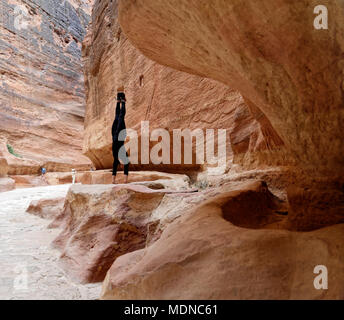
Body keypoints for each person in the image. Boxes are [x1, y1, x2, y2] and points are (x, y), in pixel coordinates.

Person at [112, 90, 130, 184]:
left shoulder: (121, 151)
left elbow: (126, 163)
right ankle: (119, 101)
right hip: (114, 133)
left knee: (121, 116)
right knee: (117, 116)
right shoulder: (115, 154)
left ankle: (122, 101)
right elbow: (119, 163)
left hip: (119, 134)